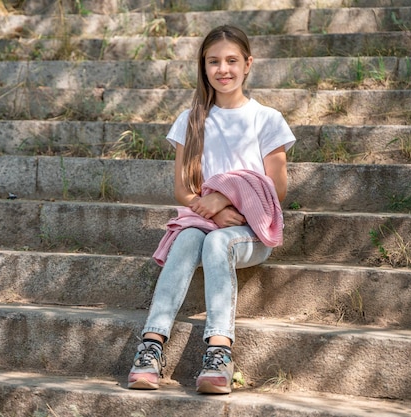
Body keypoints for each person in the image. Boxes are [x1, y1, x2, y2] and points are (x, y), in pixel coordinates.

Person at [127, 25, 296, 394]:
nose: (223, 69)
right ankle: (151, 345)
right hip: (205, 224)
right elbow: (183, 191)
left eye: (232, 60)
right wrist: (213, 212)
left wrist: (224, 197)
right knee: (188, 236)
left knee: (217, 243)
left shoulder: (266, 119)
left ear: (248, 64)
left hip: (250, 232)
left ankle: (219, 351)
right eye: (214, 61)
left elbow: (277, 189)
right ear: (203, 67)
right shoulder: (192, 121)